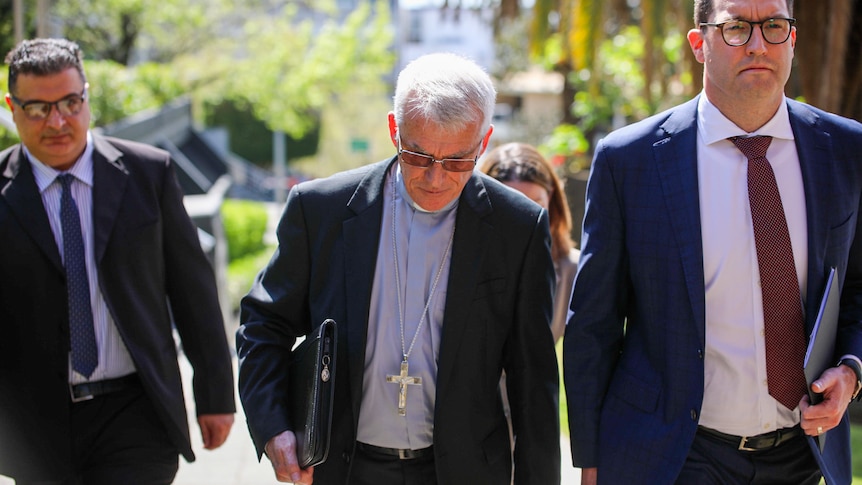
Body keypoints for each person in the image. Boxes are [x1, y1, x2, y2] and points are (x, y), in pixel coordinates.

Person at [563, 0, 862, 483]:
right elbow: (592, 326)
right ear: (699, 44)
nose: (758, 44)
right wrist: (590, 461)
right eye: (737, 28)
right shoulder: (631, 161)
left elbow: (858, 290)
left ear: (793, 39)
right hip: (676, 455)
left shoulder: (847, 150)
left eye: (773, 26)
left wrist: (851, 370)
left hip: (802, 456)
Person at [237, 52, 561, 485]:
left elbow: (532, 380)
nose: (435, 178)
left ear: (484, 143)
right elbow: (264, 323)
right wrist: (273, 426)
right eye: (418, 155)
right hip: (341, 468)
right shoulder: (320, 211)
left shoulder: (518, 227)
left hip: (463, 471)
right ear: (394, 130)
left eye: (458, 162)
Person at [0, 38, 236, 484]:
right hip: (37, 424)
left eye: (71, 102)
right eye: (38, 108)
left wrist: (215, 393)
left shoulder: (149, 173)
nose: (58, 121)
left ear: (87, 96)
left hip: (137, 412)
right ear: (12, 107)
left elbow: (193, 291)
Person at [480, 142, 579, 342]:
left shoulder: (574, 269)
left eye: (535, 206)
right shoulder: (457, 259)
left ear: (550, 198)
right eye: (511, 208)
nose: (525, 221)